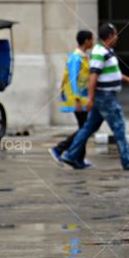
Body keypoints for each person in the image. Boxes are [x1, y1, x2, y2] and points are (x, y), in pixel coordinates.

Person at [60, 23, 129, 171]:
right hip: (105, 97)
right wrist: (91, 98)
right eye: (116, 34)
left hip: (105, 96)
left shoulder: (107, 51)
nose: (117, 37)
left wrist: (128, 79)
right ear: (110, 36)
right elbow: (93, 75)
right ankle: (128, 160)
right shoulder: (100, 52)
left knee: (88, 128)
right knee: (119, 127)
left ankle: (71, 155)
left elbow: (113, 73)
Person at [50, 30, 97, 166]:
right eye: (91, 40)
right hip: (77, 99)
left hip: (82, 98)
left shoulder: (83, 57)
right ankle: (58, 149)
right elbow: (72, 79)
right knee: (85, 129)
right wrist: (76, 98)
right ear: (86, 41)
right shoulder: (76, 58)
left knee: (84, 128)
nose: (93, 42)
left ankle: (78, 159)